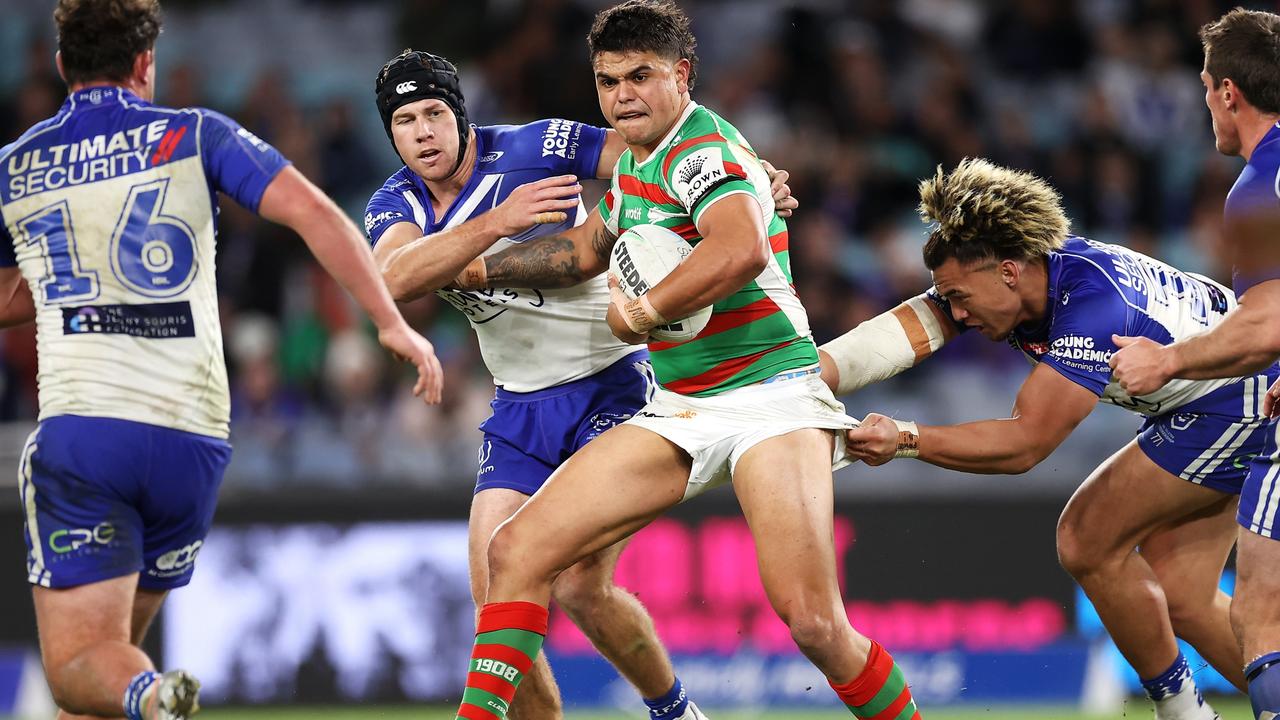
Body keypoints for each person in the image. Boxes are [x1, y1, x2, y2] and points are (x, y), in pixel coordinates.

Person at [444, 2, 921, 719]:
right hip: (680, 408)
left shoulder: (703, 152)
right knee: (518, 551)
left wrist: (640, 311)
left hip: (773, 398)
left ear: (682, 74)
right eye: (607, 82)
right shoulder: (636, 162)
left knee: (814, 624)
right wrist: (481, 270)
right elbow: (581, 253)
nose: (622, 95)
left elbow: (741, 249)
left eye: (640, 76)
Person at [1, 2, 444, 719]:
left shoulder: (15, 166)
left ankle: (155, 693)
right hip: (193, 443)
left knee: (83, 666)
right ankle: (145, 693)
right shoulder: (192, 133)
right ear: (147, 63)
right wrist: (389, 323)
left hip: (88, 433)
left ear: (59, 65)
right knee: (106, 674)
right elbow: (316, 213)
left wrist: (61, 277)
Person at [365, 47, 795, 720]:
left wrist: (749, 178)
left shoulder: (539, 144)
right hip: (520, 408)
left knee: (576, 585)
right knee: (496, 594)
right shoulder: (396, 204)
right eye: (405, 121)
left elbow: (656, 148)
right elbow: (392, 279)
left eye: (434, 113)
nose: (423, 132)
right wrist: (495, 225)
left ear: (460, 114)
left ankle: (675, 712)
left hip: (614, 383)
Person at [830, 158, 1271, 720]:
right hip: (1223, 396)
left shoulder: (1088, 308)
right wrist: (815, 371)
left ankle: (1184, 714)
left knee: (1086, 538)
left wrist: (906, 437)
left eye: (960, 296)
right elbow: (921, 323)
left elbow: (1024, 446)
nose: (957, 314)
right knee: (1183, 594)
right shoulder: (1022, 281)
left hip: (1239, 399)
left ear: (1008, 273)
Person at [1108, 9, 1280, 719]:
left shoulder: (1260, 190)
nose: (1206, 102)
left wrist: (1166, 359)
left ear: (1229, 93)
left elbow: (1268, 323)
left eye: (1206, 87)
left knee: (1262, 622)